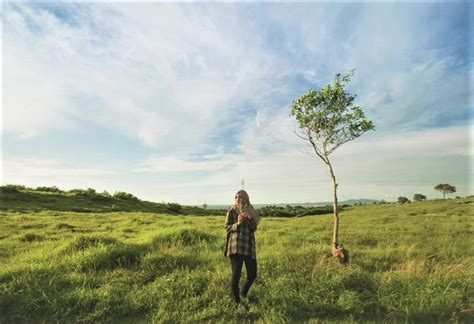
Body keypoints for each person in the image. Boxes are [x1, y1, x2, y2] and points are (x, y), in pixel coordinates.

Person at [224, 190, 260, 306]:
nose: (237, 199)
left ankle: (243, 293)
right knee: (236, 275)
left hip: (248, 246)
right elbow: (227, 227)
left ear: (246, 199)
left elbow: (254, 228)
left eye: (240, 197)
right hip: (235, 247)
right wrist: (238, 224)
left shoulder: (251, 211)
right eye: (236, 197)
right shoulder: (232, 210)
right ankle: (237, 302)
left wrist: (249, 218)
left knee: (252, 274)